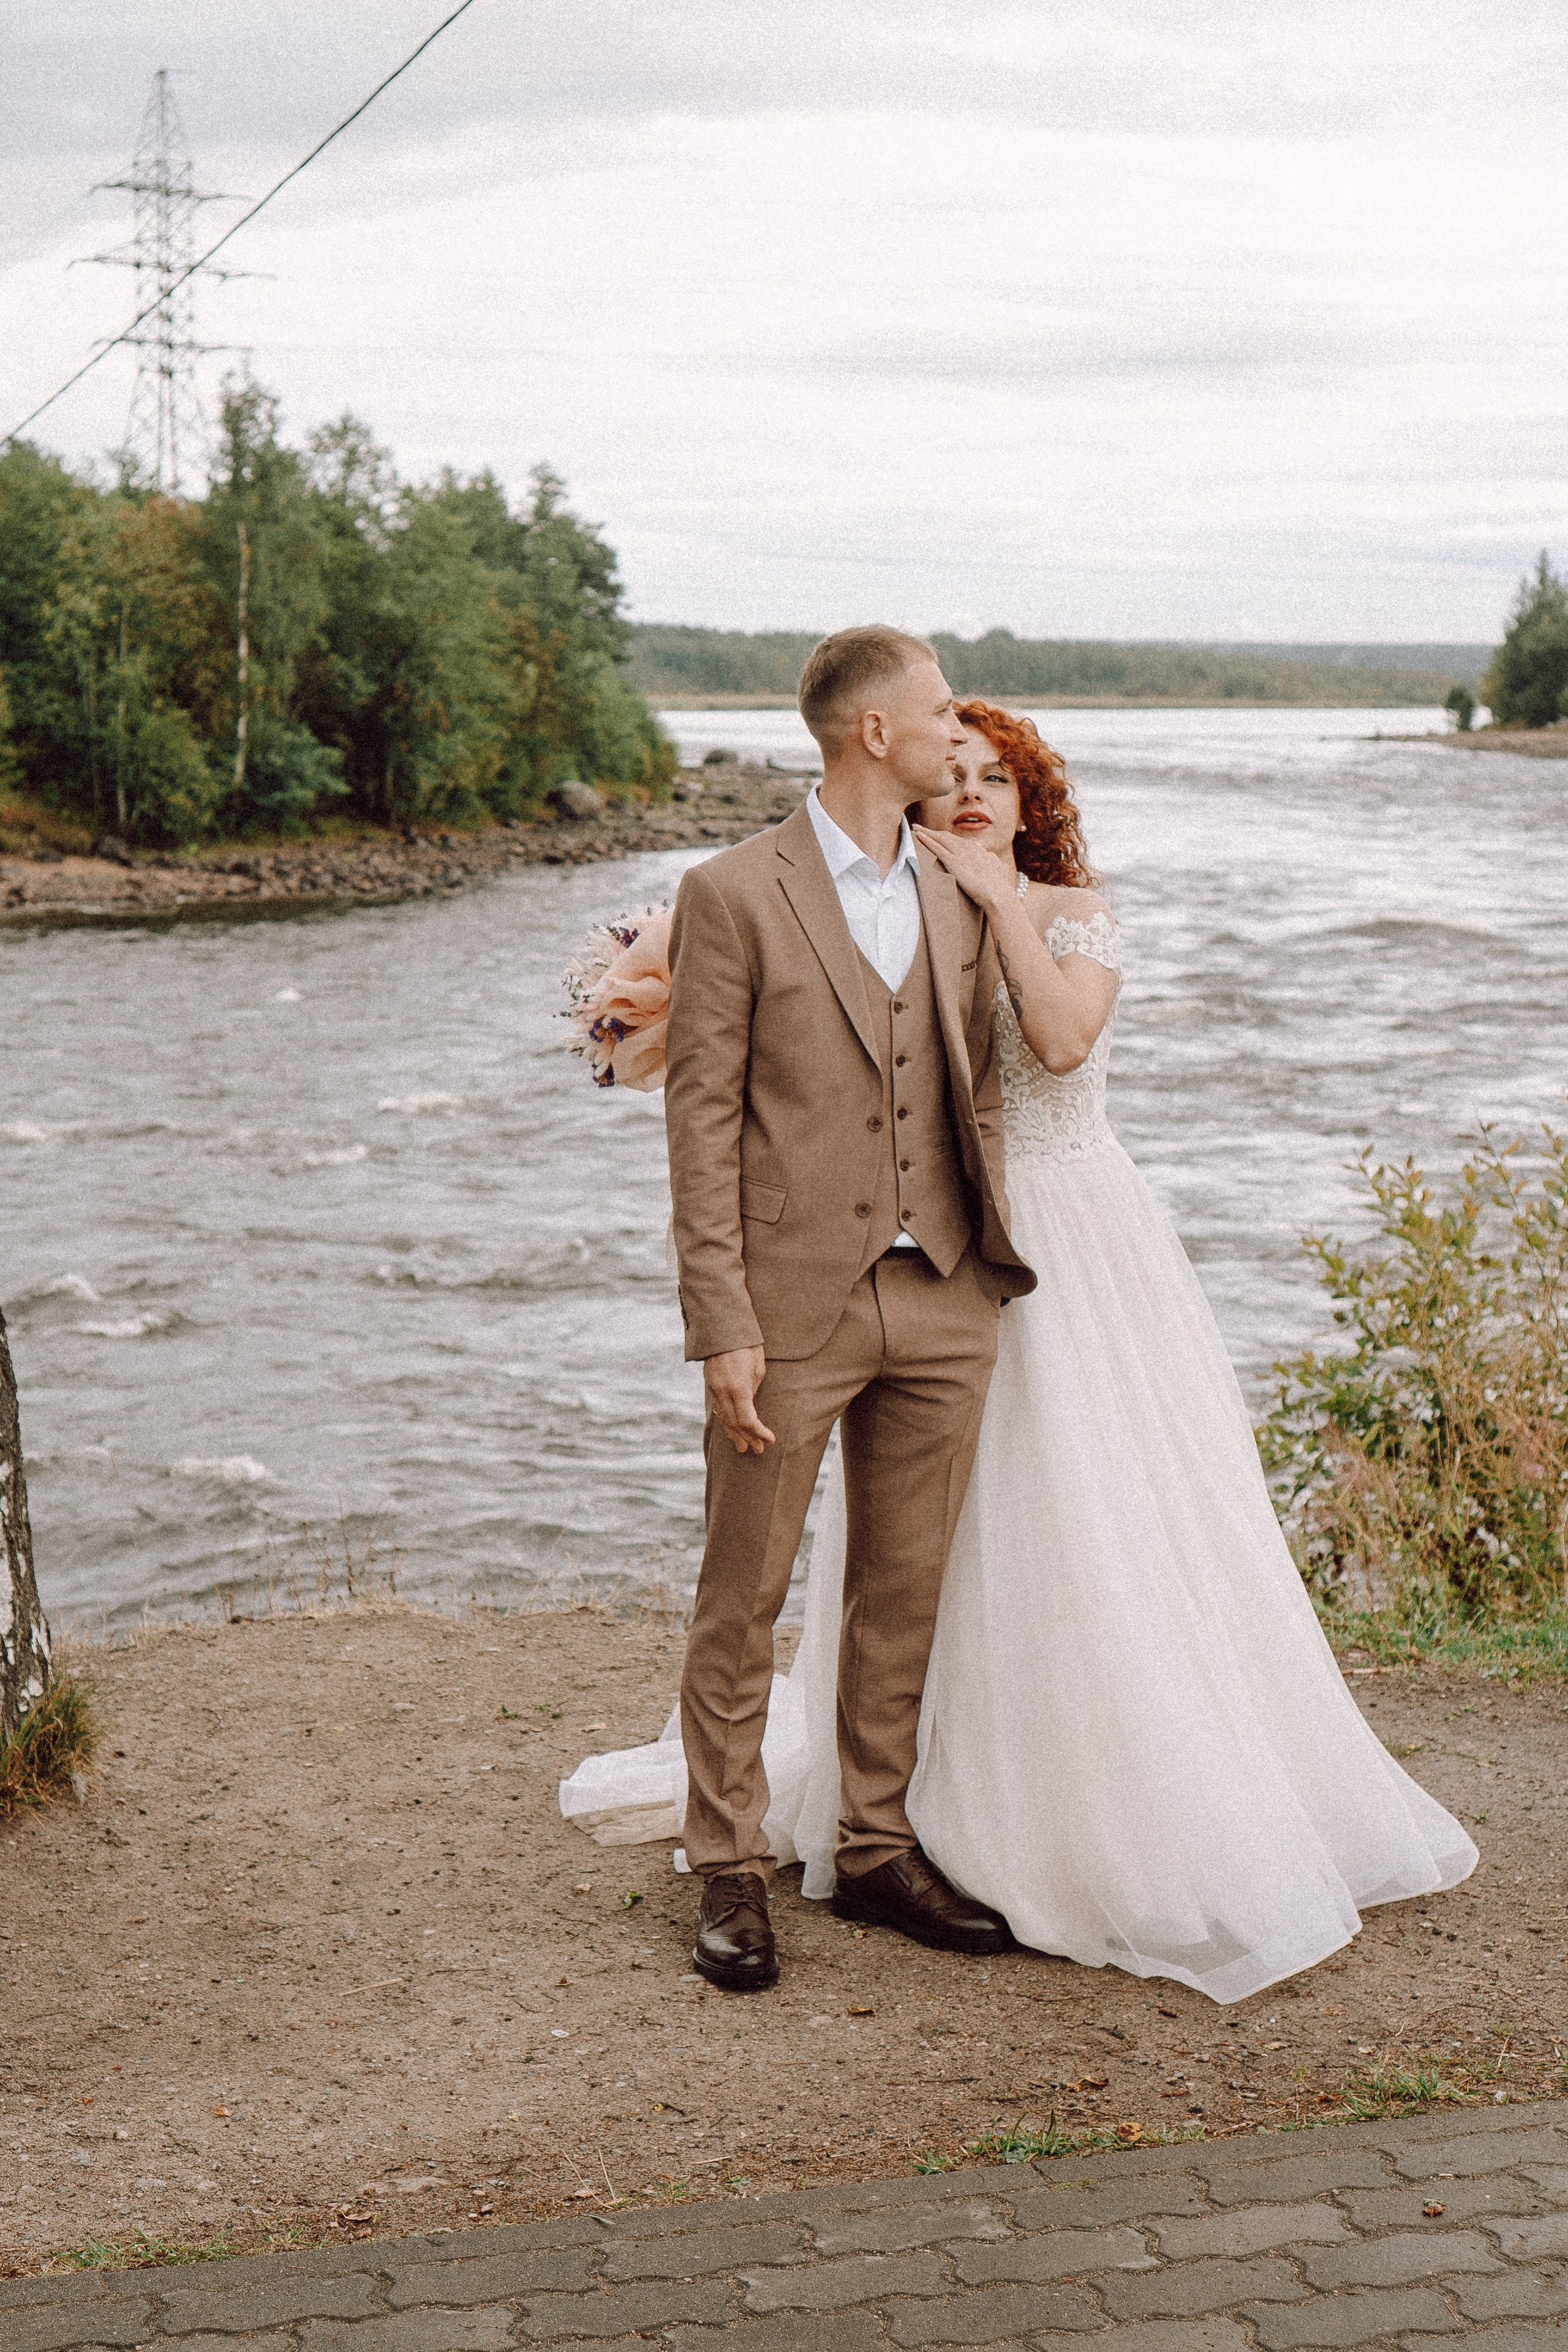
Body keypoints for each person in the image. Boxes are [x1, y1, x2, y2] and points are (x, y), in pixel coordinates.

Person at [564, 698, 1478, 2007]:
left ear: (1031, 798)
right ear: (908, 777)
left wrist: (998, 901)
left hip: (1068, 1248)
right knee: (832, 1569)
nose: (973, 794)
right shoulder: (866, 898)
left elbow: (1057, 1042)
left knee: (1060, 1531)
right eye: (956, 774)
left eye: (999, 778)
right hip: (889, 1263)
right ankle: (767, 1857)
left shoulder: (1063, 912)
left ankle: (995, 1816)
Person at [660, 627, 1035, 1991]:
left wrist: (981, 1246)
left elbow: (973, 1082)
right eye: (937, 711)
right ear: (873, 731)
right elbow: (700, 1120)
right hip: (788, 1306)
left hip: (942, 1292)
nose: (955, 731)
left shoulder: (956, 884)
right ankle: (728, 1864)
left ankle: (876, 1846)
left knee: (903, 1587)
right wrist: (721, 1320)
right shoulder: (730, 892)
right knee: (744, 1592)